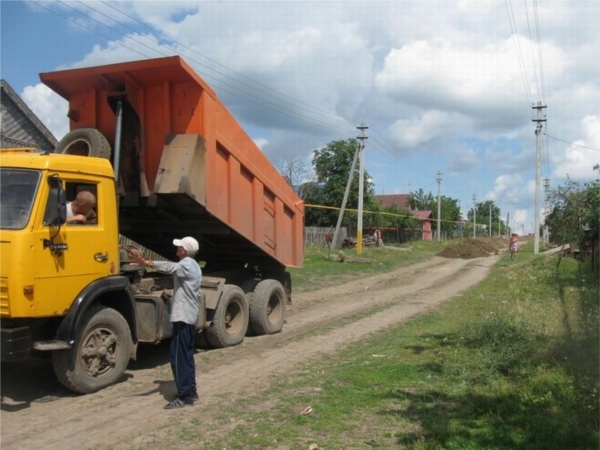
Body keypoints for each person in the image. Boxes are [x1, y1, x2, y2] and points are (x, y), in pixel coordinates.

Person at [128, 237, 202, 409]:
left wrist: (146, 262)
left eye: (179, 246)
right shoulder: (192, 265)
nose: (176, 248)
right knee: (186, 355)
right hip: (187, 317)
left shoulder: (187, 264)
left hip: (183, 317)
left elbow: (171, 267)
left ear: (184, 250)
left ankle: (183, 395)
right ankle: (191, 391)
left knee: (178, 356)